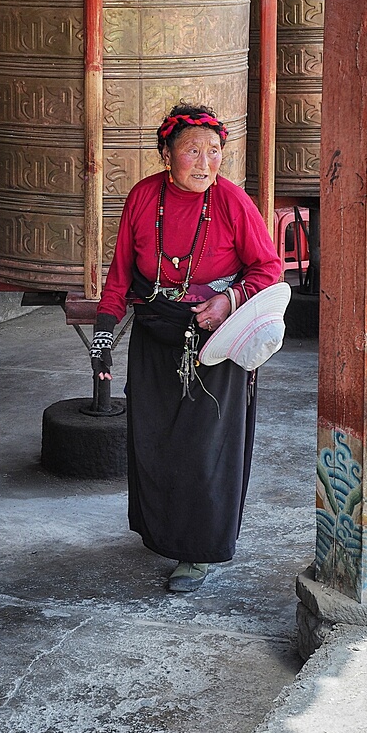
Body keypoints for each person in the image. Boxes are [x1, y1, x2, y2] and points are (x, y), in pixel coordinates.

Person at [89, 102, 282, 592]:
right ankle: (162, 534)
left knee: (204, 450)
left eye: (214, 152)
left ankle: (196, 552)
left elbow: (269, 270)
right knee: (155, 443)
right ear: (165, 154)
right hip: (156, 335)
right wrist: (105, 333)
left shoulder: (233, 202)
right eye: (192, 151)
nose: (204, 162)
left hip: (216, 340)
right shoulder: (142, 198)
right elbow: (119, 276)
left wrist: (229, 299)